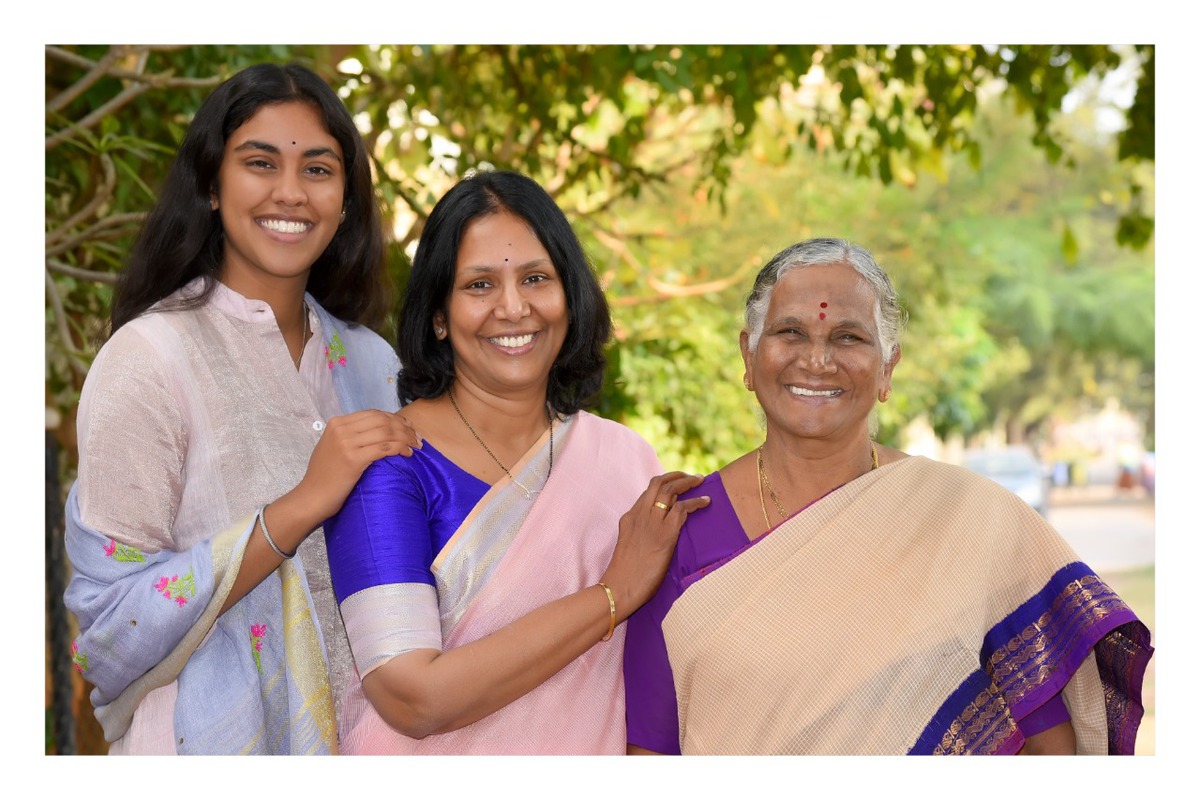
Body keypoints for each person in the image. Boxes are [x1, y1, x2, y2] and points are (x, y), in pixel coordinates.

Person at [623, 238, 1153, 755]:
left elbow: (1047, 746)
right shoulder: (682, 532)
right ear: (749, 353)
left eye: (849, 338)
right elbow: (650, 753)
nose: (817, 360)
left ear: (887, 368)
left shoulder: (960, 518)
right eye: (790, 332)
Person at [63, 63, 419, 755]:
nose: (291, 191)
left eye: (318, 169)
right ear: (211, 185)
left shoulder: (376, 366)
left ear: (345, 199)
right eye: (260, 163)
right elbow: (108, 629)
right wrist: (301, 505)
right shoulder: (149, 358)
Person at [323, 170, 709, 754]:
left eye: (535, 278)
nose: (513, 307)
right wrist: (610, 595)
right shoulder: (392, 468)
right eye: (479, 285)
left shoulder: (623, 461)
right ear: (438, 315)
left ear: (569, 297)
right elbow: (410, 698)